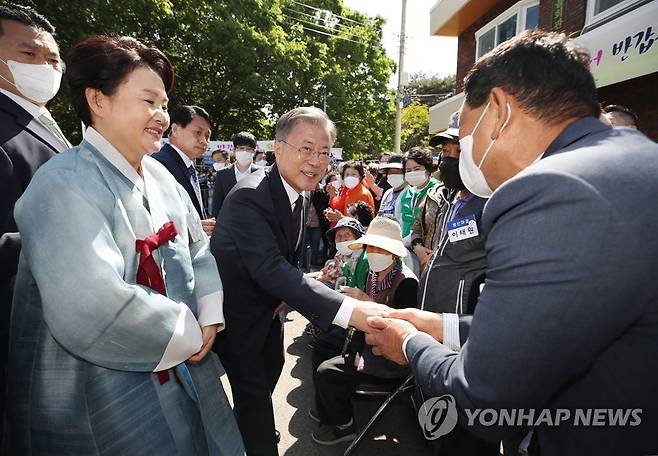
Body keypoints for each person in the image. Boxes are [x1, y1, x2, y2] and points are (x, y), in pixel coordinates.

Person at [366, 30, 658, 455]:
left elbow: (484, 398)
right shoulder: (636, 161)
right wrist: (441, 326)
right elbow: (552, 329)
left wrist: (409, 344)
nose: (463, 155)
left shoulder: (549, 190)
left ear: (499, 111)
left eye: (465, 138)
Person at [6, 35, 244, 455]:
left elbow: (196, 247)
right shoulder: (61, 183)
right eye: (148, 100)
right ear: (98, 100)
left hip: (184, 357)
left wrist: (208, 310)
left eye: (165, 104)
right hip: (97, 382)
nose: (161, 115)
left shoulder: (162, 175)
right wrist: (185, 328)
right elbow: (90, 301)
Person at [210, 107, 388, 456]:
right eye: (306, 148)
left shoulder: (299, 191)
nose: (316, 160)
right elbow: (271, 268)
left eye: (324, 152)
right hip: (240, 322)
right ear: (278, 148)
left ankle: (242, 433)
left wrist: (287, 296)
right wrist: (351, 310)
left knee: (264, 385)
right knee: (257, 404)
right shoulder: (250, 195)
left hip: (270, 317)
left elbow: (283, 267)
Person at [0, 4, 68, 430]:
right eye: (30, 54)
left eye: (54, 59)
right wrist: (75, 234)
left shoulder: (38, 120)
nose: (46, 67)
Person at [312, 216, 418, 445]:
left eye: (380, 248)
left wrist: (366, 301)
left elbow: (402, 328)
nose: (373, 253)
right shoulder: (373, 272)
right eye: (370, 247)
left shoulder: (406, 282)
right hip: (365, 336)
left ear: (394, 252)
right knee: (322, 346)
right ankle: (327, 408)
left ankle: (345, 424)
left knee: (326, 371)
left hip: (388, 354)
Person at [152, 105, 216, 236]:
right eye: (198, 132)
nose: (204, 140)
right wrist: (193, 230)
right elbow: (155, 219)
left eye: (207, 135)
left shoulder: (187, 165)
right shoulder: (159, 165)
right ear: (175, 129)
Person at [210, 131, 259, 217]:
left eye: (248, 149)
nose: (244, 152)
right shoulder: (222, 174)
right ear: (234, 150)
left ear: (254, 152)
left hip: (256, 225)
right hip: (229, 226)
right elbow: (217, 205)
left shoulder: (262, 173)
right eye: (241, 148)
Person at [399, 147, 439, 238]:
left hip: (425, 246)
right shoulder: (408, 192)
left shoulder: (436, 191)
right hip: (405, 246)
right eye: (408, 170)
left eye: (417, 169)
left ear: (427, 169)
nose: (412, 173)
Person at [324, 160, 375, 226]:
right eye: (347, 175)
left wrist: (341, 218)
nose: (350, 177)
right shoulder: (349, 191)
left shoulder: (363, 194)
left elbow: (363, 223)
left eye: (353, 174)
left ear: (360, 176)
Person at [376, 153, 407, 223]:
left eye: (398, 171)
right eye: (390, 172)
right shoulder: (387, 193)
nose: (394, 175)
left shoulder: (411, 194)